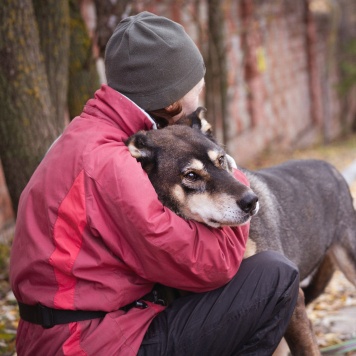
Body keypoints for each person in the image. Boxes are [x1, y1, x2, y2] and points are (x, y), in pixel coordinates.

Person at [10, 11, 299, 356]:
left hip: (70, 333)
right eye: (199, 83)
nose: (202, 90)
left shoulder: (83, 136)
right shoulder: (113, 163)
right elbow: (213, 265)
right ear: (172, 100)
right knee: (275, 277)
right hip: (87, 344)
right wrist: (227, 170)